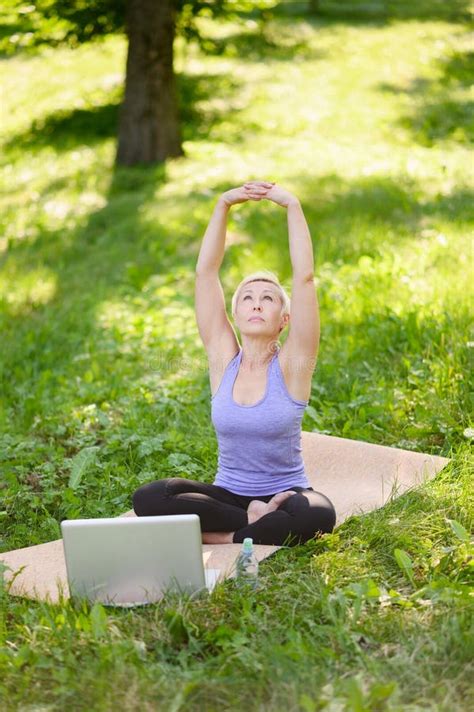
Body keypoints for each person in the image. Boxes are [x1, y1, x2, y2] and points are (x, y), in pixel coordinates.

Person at [132, 180, 336, 546]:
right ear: (235, 312)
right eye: (247, 297)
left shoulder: (294, 364)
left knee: (318, 514)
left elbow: (305, 279)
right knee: (149, 498)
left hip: (287, 495)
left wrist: (291, 205)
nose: (256, 303)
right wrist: (223, 204)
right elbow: (205, 275)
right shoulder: (222, 359)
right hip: (230, 498)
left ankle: (225, 536)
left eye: (269, 298)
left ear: (283, 320)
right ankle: (246, 527)